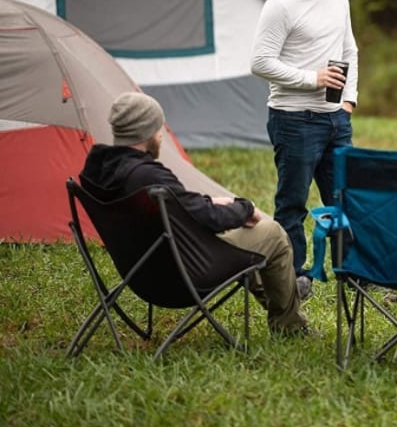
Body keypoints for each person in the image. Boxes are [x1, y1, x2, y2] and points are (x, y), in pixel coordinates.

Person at [80, 92, 310, 338]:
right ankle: (290, 325)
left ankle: (285, 292)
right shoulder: (148, 176)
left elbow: (180, 208)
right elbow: (207, 219)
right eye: (159, 129)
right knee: (271, 233)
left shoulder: (100, 171)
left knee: (241, 238)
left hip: (141, 274)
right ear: (148, 131)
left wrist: (209, 202)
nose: (161, 135)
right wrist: (245, 208)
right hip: (183, 276)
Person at [250, 0, 359, 298]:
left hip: (336, 119)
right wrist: (312, 79)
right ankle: (292, 279)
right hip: (293, 120)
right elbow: (260, 63)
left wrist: (349, 100)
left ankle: (353, 272)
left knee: (344, 198)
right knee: (293, 204)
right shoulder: (280, 5)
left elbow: (349, 49)